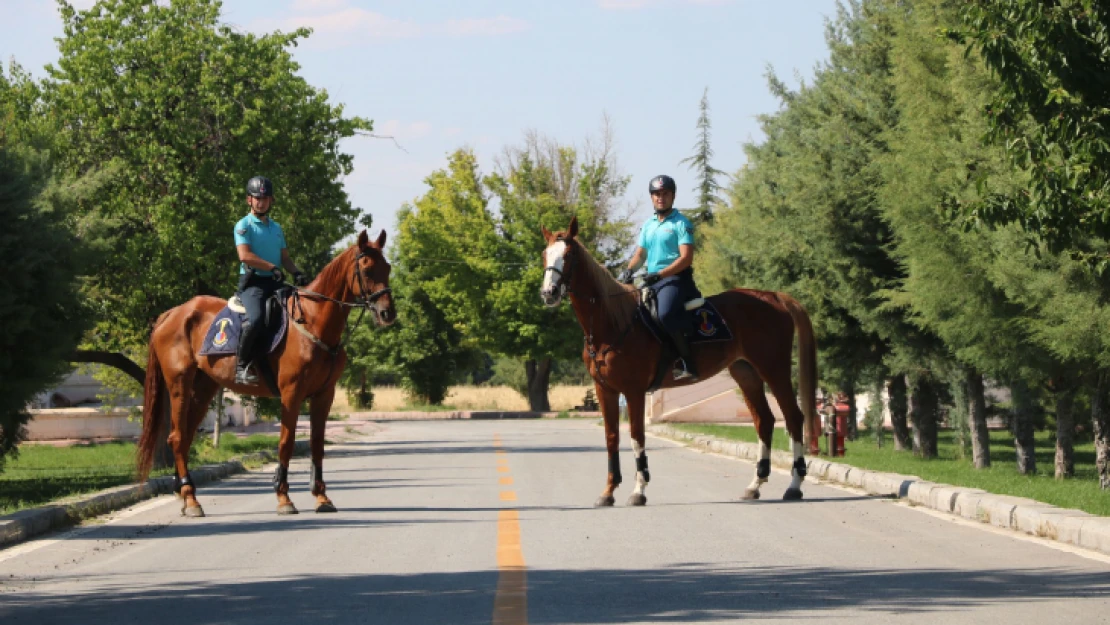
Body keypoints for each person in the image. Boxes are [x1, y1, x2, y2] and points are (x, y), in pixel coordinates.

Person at [617, 174, 702, 381]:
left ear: (673, 196)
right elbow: (640, 254)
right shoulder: (648, 225)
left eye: (665, 194)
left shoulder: (682, 223)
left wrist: (660, 274)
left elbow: (686, 258)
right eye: (656, 194)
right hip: (652, 281)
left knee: (664, 314)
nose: (660, 198)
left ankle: (688, 363)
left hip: (675, 279)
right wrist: (629, 270)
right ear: (651, 197)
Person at [233, 176, 309, 384]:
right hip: (253, 283)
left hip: (275, 281)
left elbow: (285, 258)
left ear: (271, 201)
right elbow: (245, 256)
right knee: (256, 319)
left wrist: (296, 272)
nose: (261, 202)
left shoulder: (276, 228)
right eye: (257, 198)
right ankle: (241, 366)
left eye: (265, 198)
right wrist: (270, 267)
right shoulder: (244, 226)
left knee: (299, 312)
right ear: (249, 200)